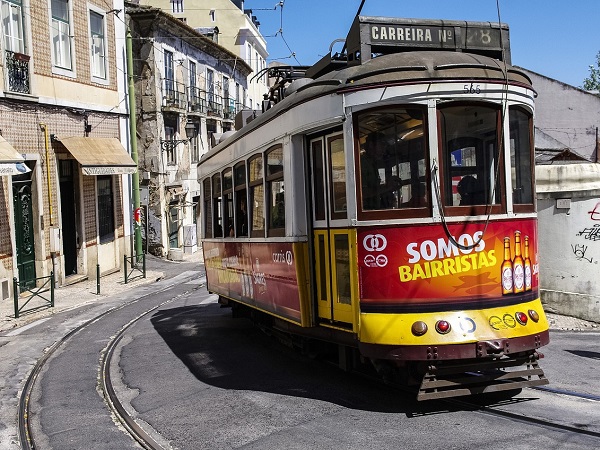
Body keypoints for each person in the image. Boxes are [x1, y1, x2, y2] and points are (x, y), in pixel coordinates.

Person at [360, 132, 400, 210]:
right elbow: (361, 193)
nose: (384, 148)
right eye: (382, 144)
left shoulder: (372, 164)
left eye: (385, 145)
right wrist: (386, 187)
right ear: (371, 145)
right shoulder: (362, 163)